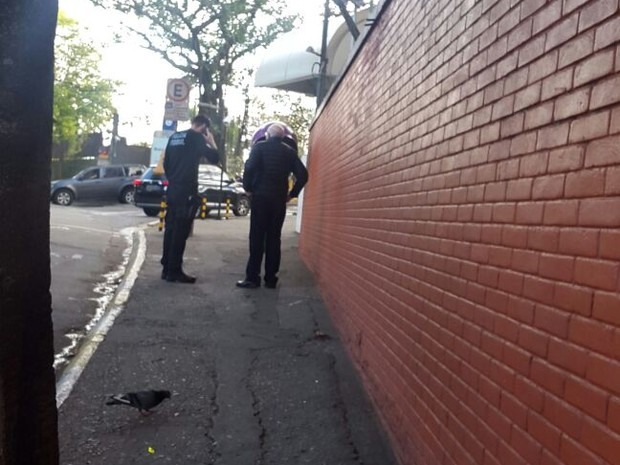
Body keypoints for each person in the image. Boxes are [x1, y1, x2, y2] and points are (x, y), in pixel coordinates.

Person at [236, 123, 308, 289]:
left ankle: (252, 278)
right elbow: (303, 175)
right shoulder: (289, 152)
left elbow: (249, 168)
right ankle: (270, 279)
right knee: (274, 238)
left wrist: (247, 189)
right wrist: (292, 194)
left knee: (257, 238)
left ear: (267, 135)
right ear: (283, 137)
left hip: (260, 198)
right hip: (278, 200)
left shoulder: (259, 148)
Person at [161, 115, 219, 283]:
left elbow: (166, 163)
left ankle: (166, 268)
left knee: (170, 228)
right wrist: (211, 142)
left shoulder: (174, 137)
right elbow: (214, 158)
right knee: (181, 231)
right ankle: (174, 271)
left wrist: (174, 178)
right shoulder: (196, 138)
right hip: (186, 190)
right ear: (204, 128)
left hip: (173, 188)